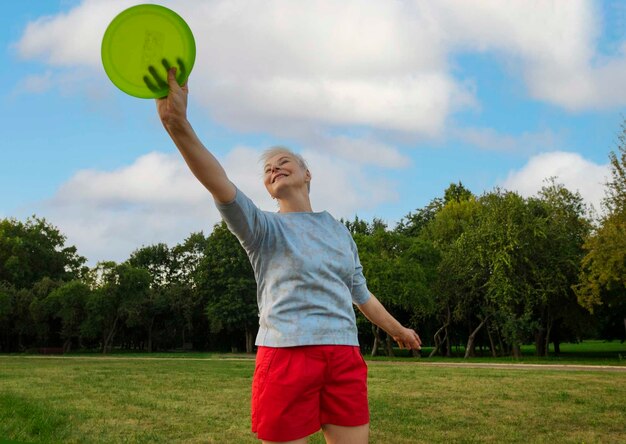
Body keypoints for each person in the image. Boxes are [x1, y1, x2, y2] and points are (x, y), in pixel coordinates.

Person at [155, 66, 422, 444]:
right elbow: (218, 181)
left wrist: (399, 331)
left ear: (306, 173)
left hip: (344, 356)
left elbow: (360, 294)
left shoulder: (338, 230)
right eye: (267, 169)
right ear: (268, 187)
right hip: (286, 357)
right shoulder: (262, 228)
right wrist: (177, 125)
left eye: (283, 161)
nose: (273, 167)